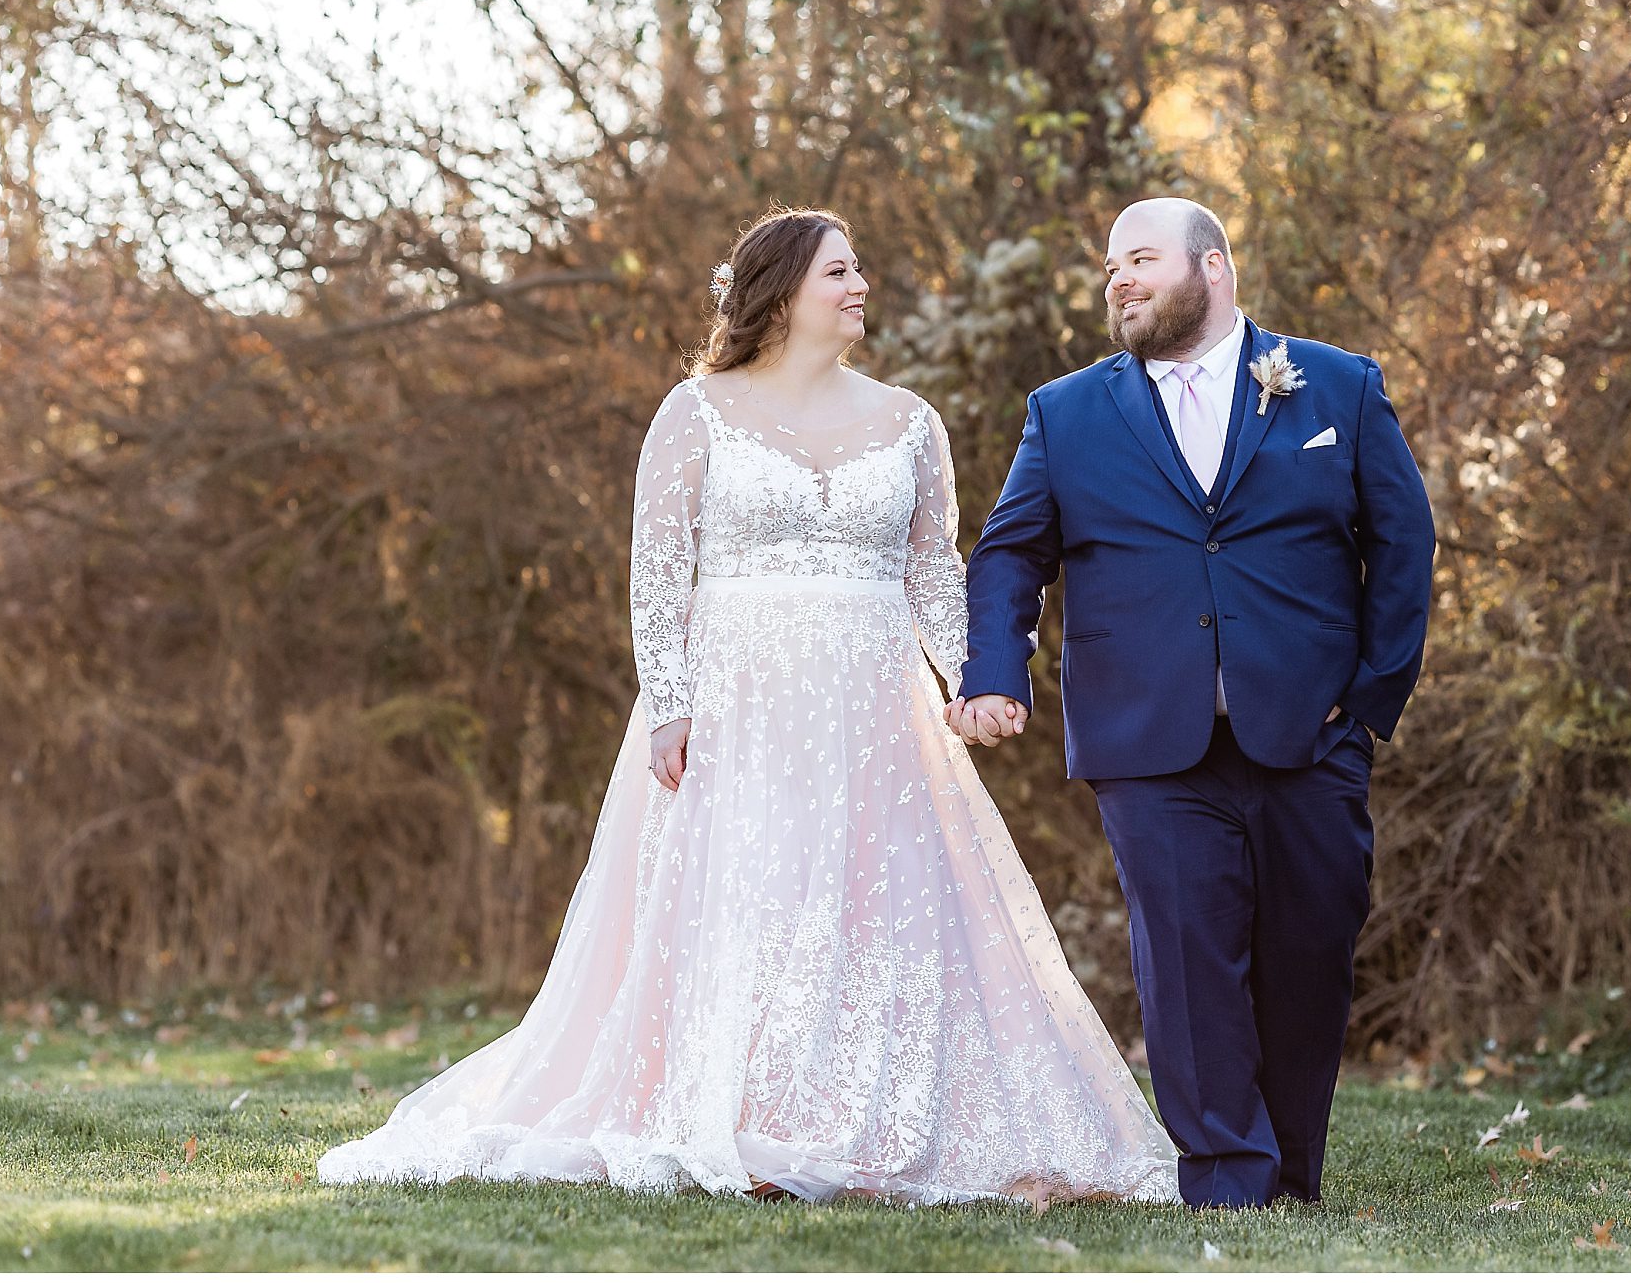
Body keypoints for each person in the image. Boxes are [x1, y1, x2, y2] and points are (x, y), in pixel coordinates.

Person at [316, 206, 1179, 1207]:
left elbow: (931, 573)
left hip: (870, 707)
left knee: (872, 898)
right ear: (780, 291)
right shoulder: (696, 411)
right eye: (839, 273)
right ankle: (740, 1106)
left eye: (859, 271)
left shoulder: (908, 422)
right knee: (749, 891)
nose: (860, 288)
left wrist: (967, 682)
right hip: (736, 701)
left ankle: (856, 1113)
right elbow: (658, 568)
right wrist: (670, 702)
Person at [948, 197, 1436, 1209]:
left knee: (1308, 958)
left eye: (1139, 259)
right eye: (1109, 267)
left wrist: (1370, 702)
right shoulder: (1066, 411)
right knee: (1184, 963)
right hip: (1145, 738)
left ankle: (1290, 1175)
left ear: (1212, 267)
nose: (1115, 280)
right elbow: (1009, 555)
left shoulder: (1334, 389)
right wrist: (995, 670)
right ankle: (1225, 1181)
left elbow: (1401, 544)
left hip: (1313, 733)